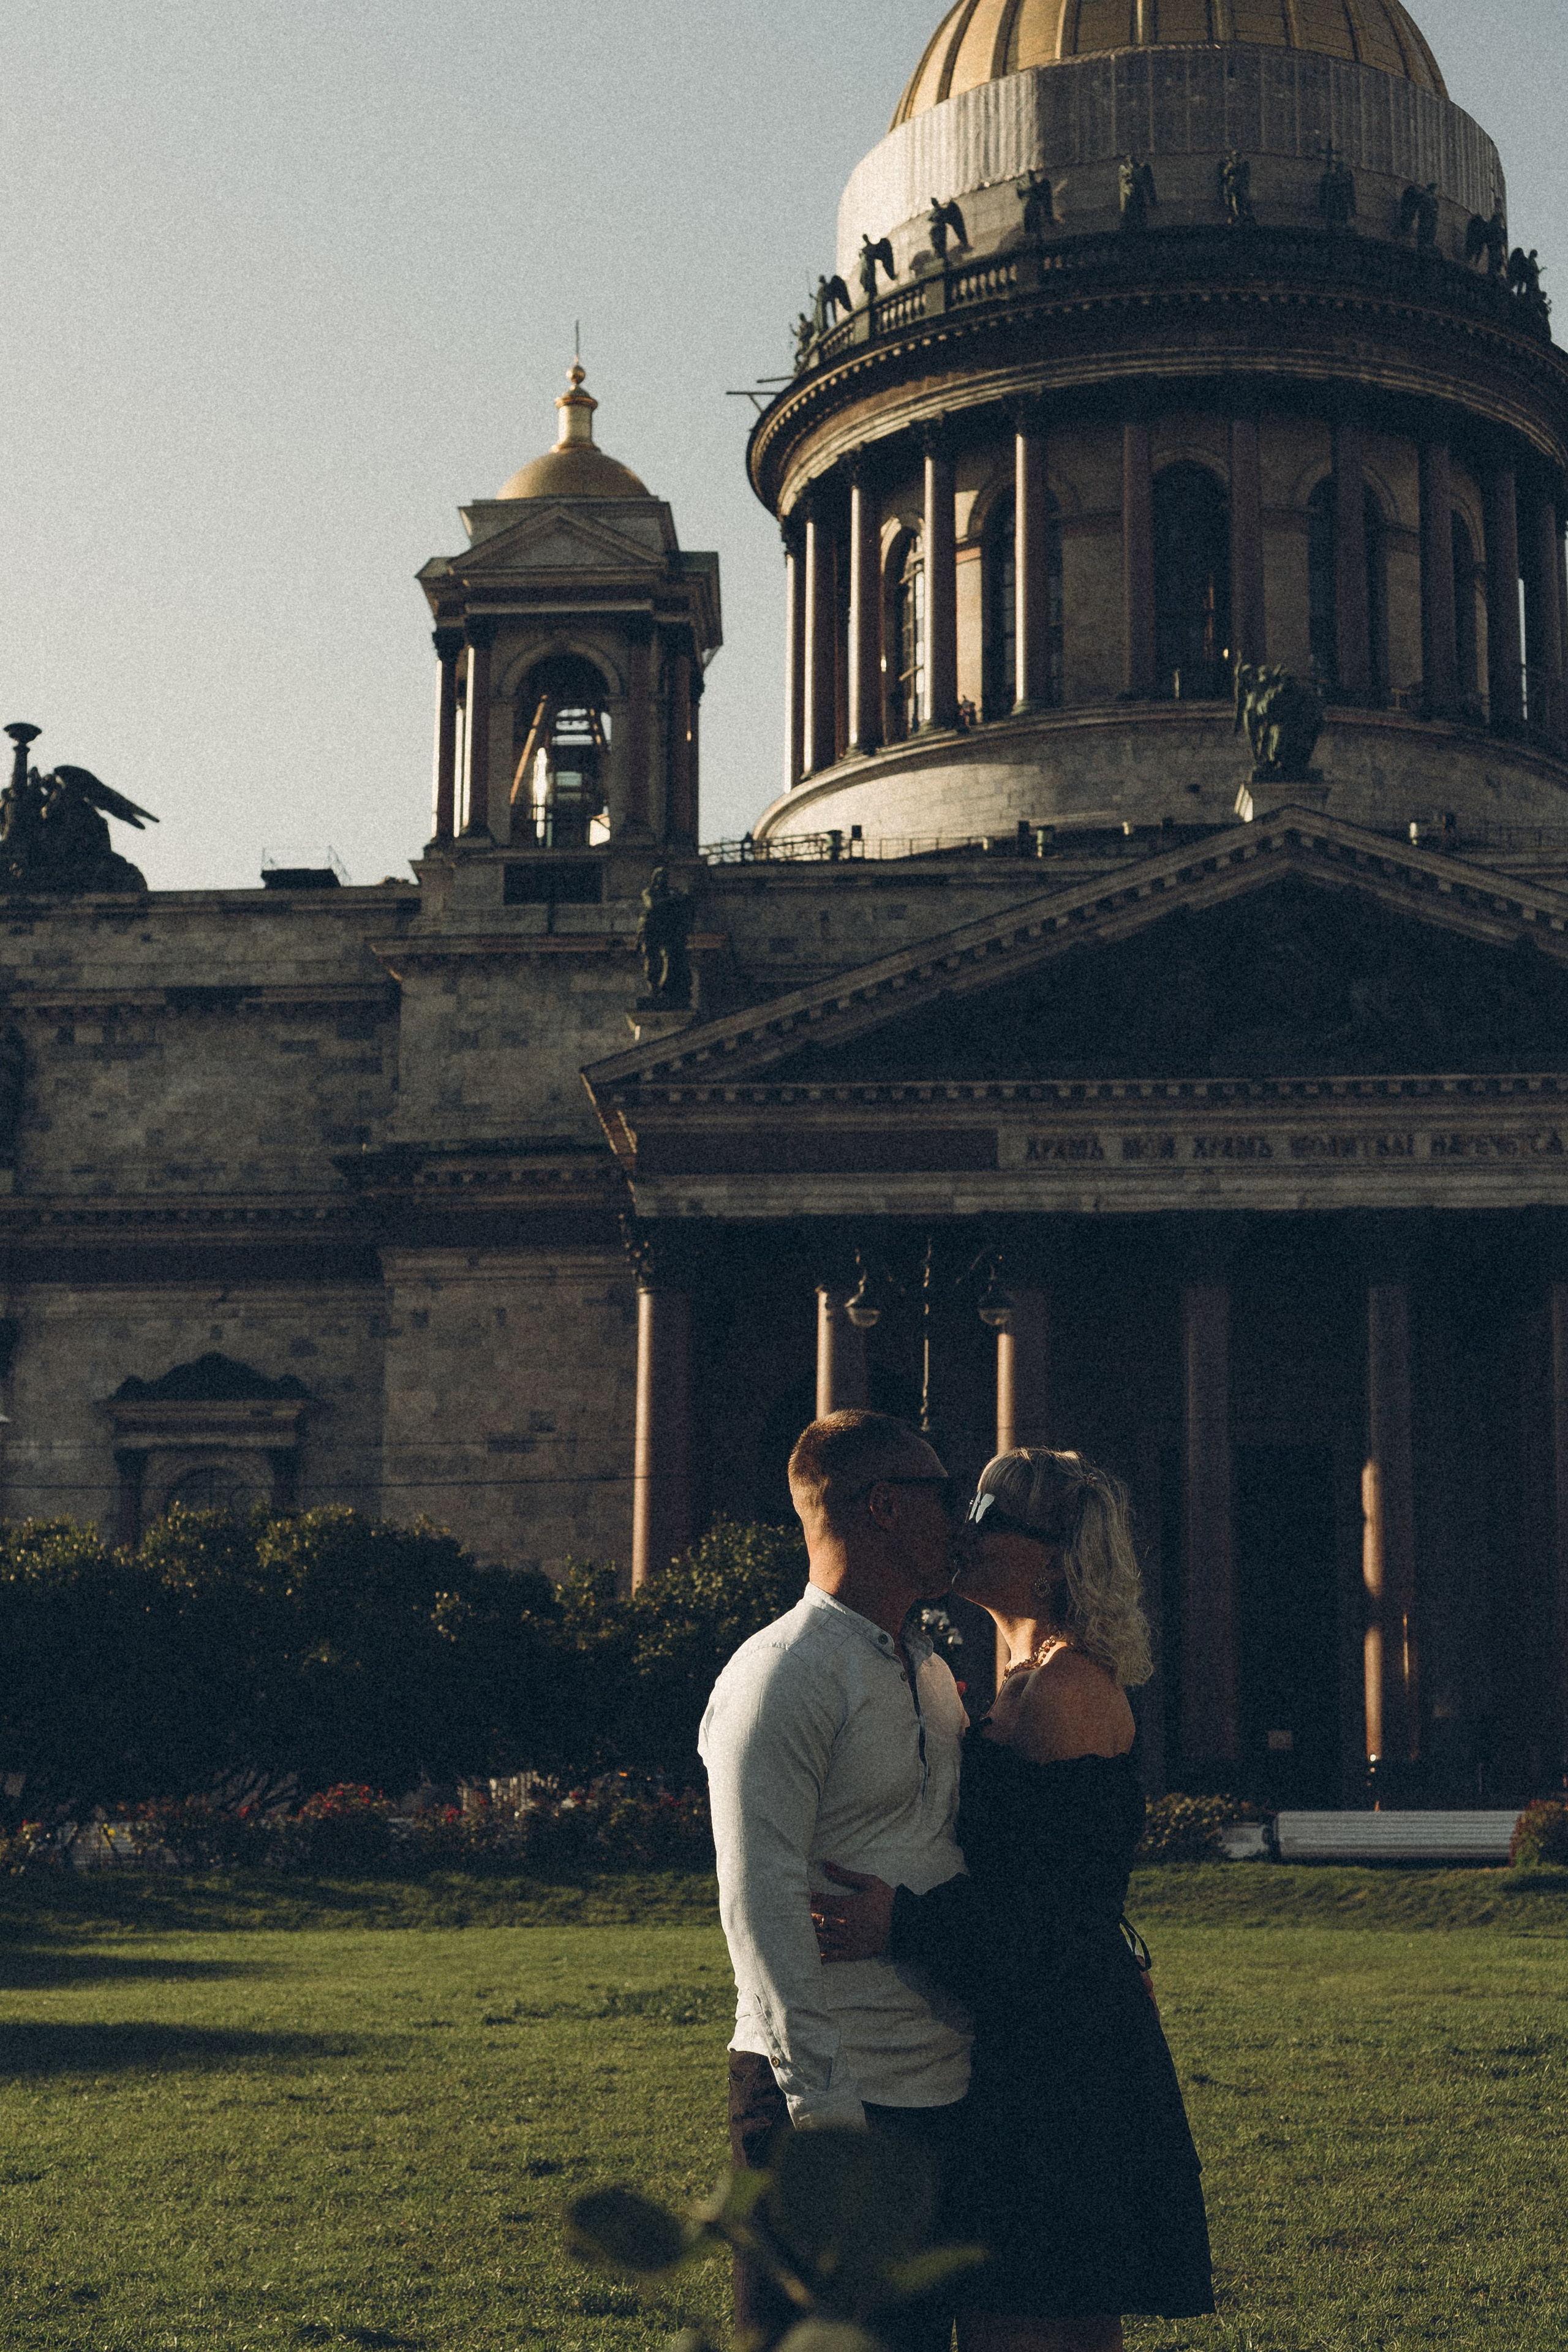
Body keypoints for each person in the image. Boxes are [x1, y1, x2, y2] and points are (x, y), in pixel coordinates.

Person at [814, 1447, 1215, 2352]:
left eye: (991, 1517)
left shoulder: (1063, 1691)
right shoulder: (1025, 1676)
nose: (966, 1529)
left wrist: (899, 1919)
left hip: (1058, 2060)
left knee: (1027, 2312)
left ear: (1053, 1558)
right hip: (1039, 2031)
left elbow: (1054, 1917)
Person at [698, 1409, 974, 2352]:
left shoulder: (927, 1669)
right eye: (944, 1496)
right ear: (884, 1506)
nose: (959, 1521)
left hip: (940, 2093)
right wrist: (825, 2117)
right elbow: (758, 1907)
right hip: (821, 2103)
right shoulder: (781, 1672)